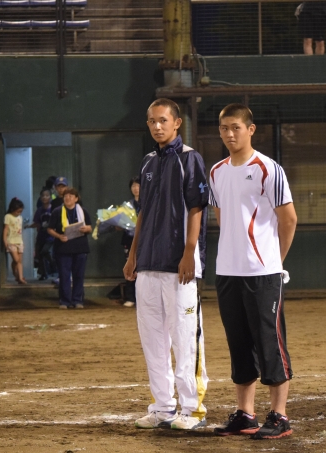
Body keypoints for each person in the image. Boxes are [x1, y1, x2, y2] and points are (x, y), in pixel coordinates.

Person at [209, 104, 297, 440]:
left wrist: (274, 260)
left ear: (250, 129)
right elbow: (222, 217)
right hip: (227, 272)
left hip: (263, 273)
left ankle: (280, 416)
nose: (230, 134)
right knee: (239, 343)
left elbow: (289, 219)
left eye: (236, 127)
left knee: (269, 342)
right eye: (224, 128)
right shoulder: (216, 172)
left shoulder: (268, 169)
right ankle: (245, 414)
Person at [123, 98, 209, 431]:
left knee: (185, 338)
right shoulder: (148, 162)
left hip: (179, 265)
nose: (157, 126)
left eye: (163, 120)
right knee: (153, 340)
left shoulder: (190, 158)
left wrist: (190, 252)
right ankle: (162, 407)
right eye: (152, 121)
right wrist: (133, 255)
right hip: (148, 264)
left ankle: (193, 409)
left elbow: (197, 207)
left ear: (176, 123)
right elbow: (143, 212)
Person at [47, 187, 92, 309]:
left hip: (80, 248)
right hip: (63, 248)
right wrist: (59, 236)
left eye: (71, 196)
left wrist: (86, 229)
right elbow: (49, 229)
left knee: (79, 275)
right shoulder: (57, 211)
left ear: (76, 199)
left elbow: (90, 227)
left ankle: (77, 300)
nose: (68, 198)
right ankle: (65, 301)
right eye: (66, 196)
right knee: (64, 276)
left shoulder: (83, 211)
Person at [120, 176, 140, 307]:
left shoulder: (149, 202)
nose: (135, 188)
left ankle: (142, 298)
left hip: (145, 241)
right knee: (130, 267)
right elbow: (121, 223)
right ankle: (130, 297)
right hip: (129, 240)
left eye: (138, 185)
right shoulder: (127, 205)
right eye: (133, 186)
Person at [31, 188, 55, 281]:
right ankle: (44, 273)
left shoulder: (53, 209)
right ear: (40, 198)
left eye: (47, 195)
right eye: (43, 196)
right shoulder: (39, 210)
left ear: (50, 197)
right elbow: (37, 223)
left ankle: (54, 265)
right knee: (39, 255)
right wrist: (29, 226)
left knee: (45, 251)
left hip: (51, 236)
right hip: (41, 235)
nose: (45, 197)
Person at [4, 197, 27, 285]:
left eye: (20, 211)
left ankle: (20, 277)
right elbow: (6, 229)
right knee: (16, 259)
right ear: (12, 209)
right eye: (17, 211)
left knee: (19, 261)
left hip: (19, 241)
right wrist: (5, 240)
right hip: (11, 241)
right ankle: (15, 273)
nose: (19, 213)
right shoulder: (8, 216)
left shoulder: (20, 217)